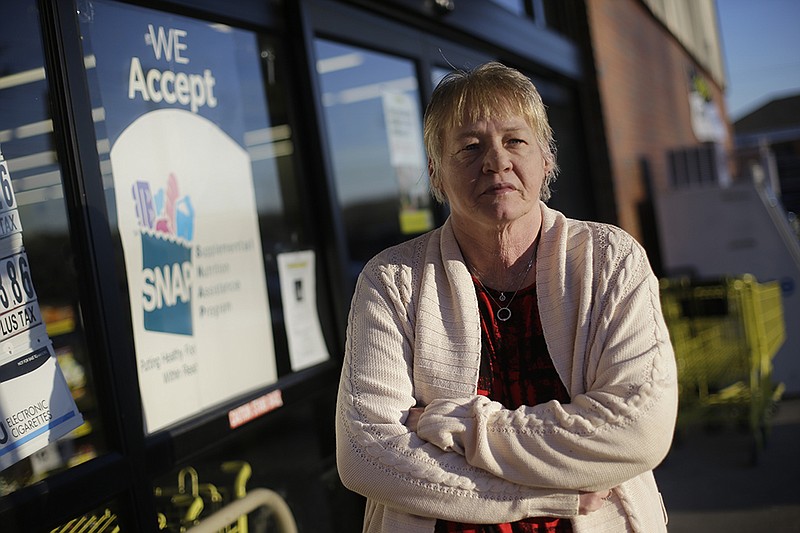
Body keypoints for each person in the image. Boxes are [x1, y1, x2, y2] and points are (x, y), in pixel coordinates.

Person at [336, 61, 678, 533]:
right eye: (469, 147)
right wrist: (544, 495)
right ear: (435, 173)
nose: (496, 160)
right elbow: (367, 455)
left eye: (514, 140)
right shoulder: (393, 280)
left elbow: (640, 429)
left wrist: (459, 427)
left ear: (546, 158)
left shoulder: (611, 260)